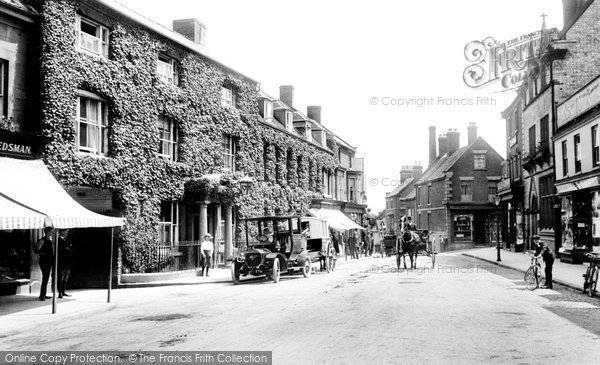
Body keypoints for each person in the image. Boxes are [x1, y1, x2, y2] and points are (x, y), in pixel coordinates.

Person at [34, 227, 54, 301]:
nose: (52, 233)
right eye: (51, 231)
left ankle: (44, 294)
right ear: (48, 232)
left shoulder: (50, 240)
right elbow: (36, 250)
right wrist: (43, 254)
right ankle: (42, 295)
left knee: (46, 278)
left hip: (49, 261)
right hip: (44, 262)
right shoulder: (42, 240)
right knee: (45, 278)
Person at [57, 229, 73, 298]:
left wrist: (68, 249)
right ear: (62, 232)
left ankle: (63, 291)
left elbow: (71, 248)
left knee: (65, 278)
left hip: (68, 262)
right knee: (61, 277)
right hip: (61, 262)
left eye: (67, 232)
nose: (67, 233)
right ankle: (60, 292)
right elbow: (60, 251)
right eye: (66, 231)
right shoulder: (58, 240)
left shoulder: (68, 240)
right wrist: (66, 248)